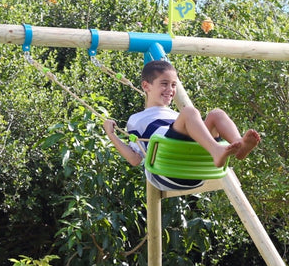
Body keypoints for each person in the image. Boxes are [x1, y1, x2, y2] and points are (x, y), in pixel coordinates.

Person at [103, 58, 261, 191]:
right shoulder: (137, 119)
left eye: (173, 85)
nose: (170, 90)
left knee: (216, 114)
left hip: (196, 169)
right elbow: (135, 159)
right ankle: (216, 150)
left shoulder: (177, 116)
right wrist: (111, 135)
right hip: (166, 172)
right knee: (190, 112)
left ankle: (240, 145)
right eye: (164, 84)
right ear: (146, 86)